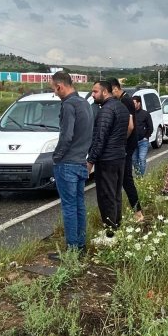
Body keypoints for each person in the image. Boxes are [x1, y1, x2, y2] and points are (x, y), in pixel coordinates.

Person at [49, 71, 92, 256]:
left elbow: (66, 136)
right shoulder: (85, 103)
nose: (54, 93)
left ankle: (72, 249)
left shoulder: (68, 105)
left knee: (69, 207)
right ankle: (80, 246)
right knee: (79, 205)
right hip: (81, 161)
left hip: (67, 163)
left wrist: (56, 157)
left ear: (60, 86)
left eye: (54, 89)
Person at [88, 79, 128, 231]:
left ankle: (110, 232)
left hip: (107, 159)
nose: (92, 95)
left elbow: (100, 138)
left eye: (95, 91)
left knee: (106, 196)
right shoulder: (121, 107)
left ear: (105, 92)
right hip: (119, 157)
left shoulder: (106, 110)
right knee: (116, 194)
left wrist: (91, 161)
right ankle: (117, 226)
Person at [119, 92, 149, 223]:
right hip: (129, 147)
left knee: (125, 180)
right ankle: (137, 213)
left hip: (127, 147)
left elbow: (130, 126)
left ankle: (136, 213)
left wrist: (122, 139)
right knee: (127, 180)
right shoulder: (126, 102)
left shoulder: (125, 102)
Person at [130, 93, 154, 177]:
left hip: (143, 141)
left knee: (142, 158)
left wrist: (146, 137)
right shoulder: (130, 114)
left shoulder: (145, 114)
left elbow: (150, 127)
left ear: (139, 103)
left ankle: (141, 177)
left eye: (134, 103)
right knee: (134, 160)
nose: (132, 105)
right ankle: (138, 175)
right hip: (133, 142)